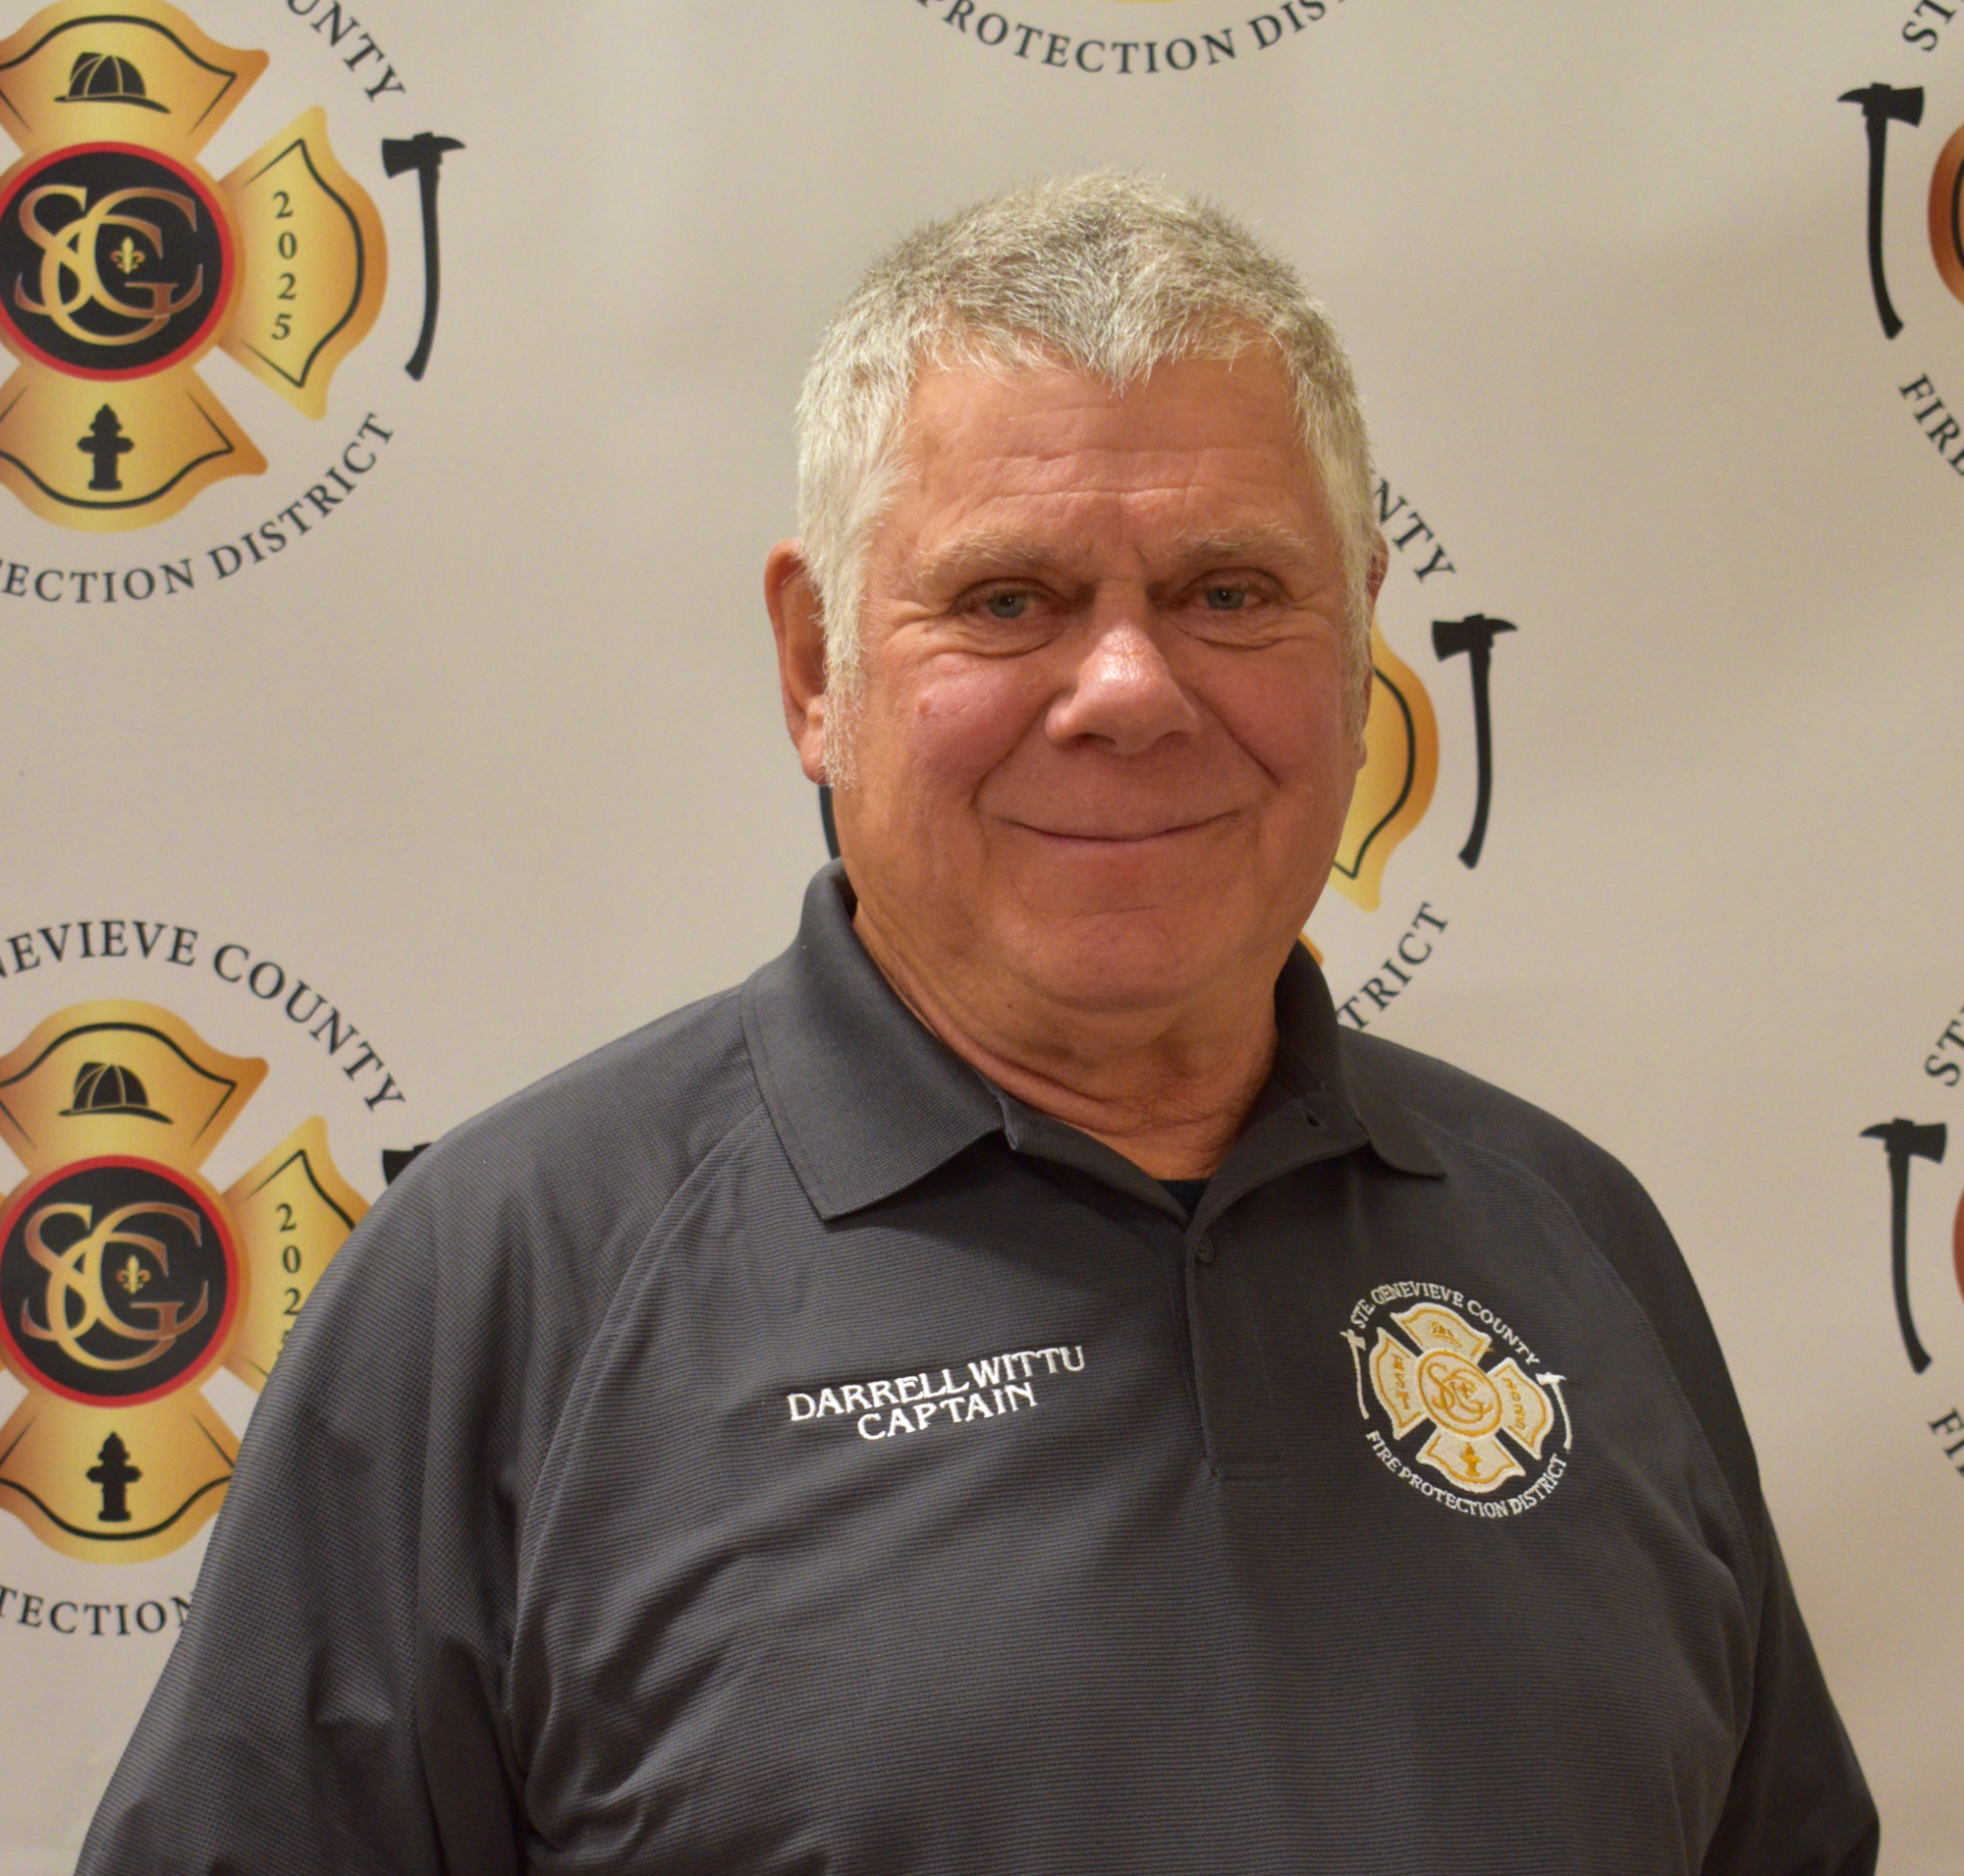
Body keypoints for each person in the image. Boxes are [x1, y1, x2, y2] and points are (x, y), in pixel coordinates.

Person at [79, 173, 1877, 1875]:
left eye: (1228, 594)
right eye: (1009, 599)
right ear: (814, 666)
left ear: (1358, 650)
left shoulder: (1575, 1238)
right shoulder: (505, 1286)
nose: (1127, 689)